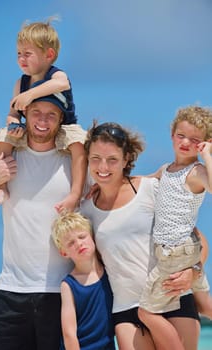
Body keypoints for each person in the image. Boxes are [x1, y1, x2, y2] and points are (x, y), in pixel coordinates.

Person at [80, 121, 208, 350]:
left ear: (126, 159)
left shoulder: (150, 189)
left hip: (173, 296)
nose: (103, 167)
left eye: (112, 159)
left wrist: (194, 271)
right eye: (95, 158)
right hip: (125, 308)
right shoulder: (86, 209)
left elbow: (197, 237)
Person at [0, 88, 82, 349]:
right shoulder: (6, 155)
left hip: (63, 292)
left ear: (61, 120)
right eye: (36, 113)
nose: (43, 121)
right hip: (11, 288)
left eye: (51, 115)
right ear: (25, 114)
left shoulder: (74, 162)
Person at [0, 19, 87, 212]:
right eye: (19, 54)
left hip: (64, 127)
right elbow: (13, 113)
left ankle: (75, 193)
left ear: (49, 55)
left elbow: (62, 85)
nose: (21, 59)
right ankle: (0, 187)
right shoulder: (21, 83)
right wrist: (14, 124)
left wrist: (30, 95)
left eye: (28, 54)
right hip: (33, 126)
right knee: (2, 136)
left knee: (80, 143)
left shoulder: (56, 75)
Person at [137, 106, 212, 347]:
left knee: (145, 313)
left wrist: (208, 154)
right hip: (184, 250)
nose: (186, 142)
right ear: (172, 134)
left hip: (175, 252)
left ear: (203, 144)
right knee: (206, 305)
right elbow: (142, 181)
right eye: (181, 135)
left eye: (195, 140)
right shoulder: (166, 170)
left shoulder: (197, 171)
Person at [51, 211, 115, 350]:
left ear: (92, 236)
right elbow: (69, 333)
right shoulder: (69, 285)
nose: (79, 244)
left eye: (82, 236)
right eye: (71, 243)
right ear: (64, 253)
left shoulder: (109, 271)